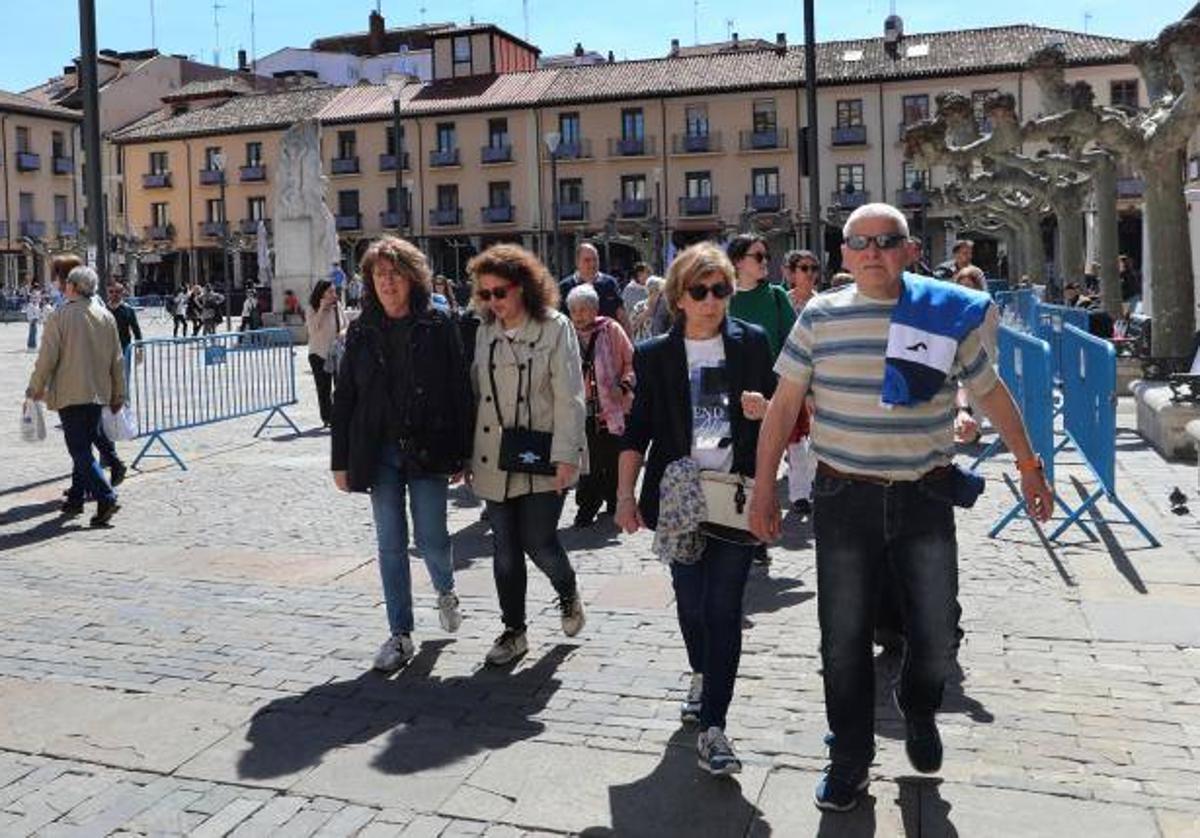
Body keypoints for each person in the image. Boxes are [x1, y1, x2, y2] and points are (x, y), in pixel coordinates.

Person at [747, 203, 1054, 813]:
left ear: (909, 249)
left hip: (923, 496)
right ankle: (850, 759)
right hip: (842, 497)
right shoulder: (819, 315)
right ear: (843, 254)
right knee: (842, 638)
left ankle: (918, 706)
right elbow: (783, 408)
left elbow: (990, 393)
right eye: (859, 242)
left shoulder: (941, 315)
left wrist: (1029, 464)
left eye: (887, 241)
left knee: (937, 633)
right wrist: (763, 487)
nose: (873, 251)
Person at [615, 242, 775, 777]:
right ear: (680, 297)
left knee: (725, 609)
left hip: (735, 492)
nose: (712, 301)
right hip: (679, 494)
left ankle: (714, 728)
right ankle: (700, 675)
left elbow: (787, 414)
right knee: (691, 606)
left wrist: (767, 409)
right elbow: (637, 430)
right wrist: (623, 495)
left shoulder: (752, 344)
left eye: (721, 290)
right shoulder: (655, 353)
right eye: (701, 291)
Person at [331, 236, 471, 672]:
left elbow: (459, 390)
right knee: (390, 544)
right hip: (380, 452)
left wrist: (463, 453)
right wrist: (340, 459)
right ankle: (400, 634)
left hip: (428, 448)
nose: (387, 283)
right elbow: (345, 396)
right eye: (379, 275)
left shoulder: (437, 324)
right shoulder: (361, 330)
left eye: (394, 274)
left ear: (412, 277)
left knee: (431, 540)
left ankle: (445, 590)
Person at [467, 244, 588, 667]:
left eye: (500, 292)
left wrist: (567, 456)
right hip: (496, 455)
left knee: (538, 540)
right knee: (504, 546)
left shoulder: (556, 329)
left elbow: (570, 397)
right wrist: (466, 456)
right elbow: (475, 395)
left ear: (524, 288)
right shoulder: (484, 331)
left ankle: (567, 591)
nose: (493, 303)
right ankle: (513, 630)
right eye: (484, 294)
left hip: (544, 453)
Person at [25, 266, 126, 527]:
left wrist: (35, 386)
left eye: (67, 283)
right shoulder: (105, 316)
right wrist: (118, 394)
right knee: (83, 447)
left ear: (75, 287)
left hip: (70, 392)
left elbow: (47, 357)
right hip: (97, 393)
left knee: (79, 449)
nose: (63, 286)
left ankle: (106, 497)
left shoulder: (61, 316)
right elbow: (117, 360)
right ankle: (76, 500)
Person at [566, 284, 635, 527]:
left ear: (595, 309)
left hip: (614, 409)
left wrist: (624, 385)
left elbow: (631, 361)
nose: (580, 314)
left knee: (614, 459)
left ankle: (615, 503)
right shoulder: (566, 334)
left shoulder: (611, 330)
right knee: (588, 463)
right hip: (582, 409)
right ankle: (586, 507)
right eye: (574, 310)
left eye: (585, 309)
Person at [781, 250, 820, 517]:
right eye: (804, 268)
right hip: (789, 378)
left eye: (813, 268)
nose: (809, 274)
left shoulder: (824, 303)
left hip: (819, 380)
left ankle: (812, 484)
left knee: (816, 439)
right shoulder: (781, 302)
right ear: (792, 273)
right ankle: (800, 496)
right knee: (796, 441)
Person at [726, 234, 795, 360]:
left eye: (766, 256)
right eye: (758, 256)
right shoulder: (720, 299)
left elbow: (793, 343)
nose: (764, 261)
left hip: (772, 378)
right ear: (738, 261)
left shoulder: (777, 295)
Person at [559, 242, 632, 334]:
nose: (592, 264)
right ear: (577, 262)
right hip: (578, 343)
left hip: (608, 341)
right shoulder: (565, 287)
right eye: (587, 260)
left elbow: (622, 315)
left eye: (595, 259)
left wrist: (630, 343)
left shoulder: (609, 283)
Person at [306, 279, 345, 428]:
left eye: (334, 291)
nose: (333, 294)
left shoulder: (337, 307)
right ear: (321, 293)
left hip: (336, 354)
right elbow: (313, 330)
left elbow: (345, 324)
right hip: (318, 353)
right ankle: (327, 417)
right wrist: (322, 309)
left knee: (340, 387)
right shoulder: (312, 308)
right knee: (324, 388)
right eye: (330, 291)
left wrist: (342, 332)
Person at [106, 282, 143, 353]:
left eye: (117, 292)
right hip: (107, 347)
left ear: (122, 293)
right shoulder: (103, 309)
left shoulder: (128, 310)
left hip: (124, 347)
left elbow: (136, 329)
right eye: (111, 292)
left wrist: (140, 347)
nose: (114, 294)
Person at [631, 276, 667, 342]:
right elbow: (631, 327)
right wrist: (645, 313)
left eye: (657, 291)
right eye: (650, 291)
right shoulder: (640, 306)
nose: (652, 294)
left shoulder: (665, 308)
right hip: (642, 344)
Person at [24, 283, 44, 352]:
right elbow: (36, 300)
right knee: (33, 331)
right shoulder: (36, 293)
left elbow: (35, 300)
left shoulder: (33, 293)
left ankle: (31, 345)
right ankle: (32, 345)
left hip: (34, 311)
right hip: (34, 313)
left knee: (33, 331)